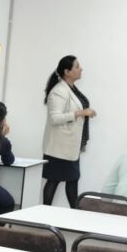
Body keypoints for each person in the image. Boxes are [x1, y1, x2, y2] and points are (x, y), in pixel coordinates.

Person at [41, 55, 94, 207]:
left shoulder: (71, 89)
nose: (81, 69)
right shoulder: (59, 91)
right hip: (59, 148)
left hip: (70, 147)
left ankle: (74, 212)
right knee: (55, 180)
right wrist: (80, 113)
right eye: (77, 66)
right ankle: (45, 212)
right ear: (67, 71)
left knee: (72, 179)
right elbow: (55, 118)